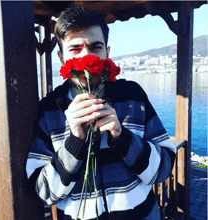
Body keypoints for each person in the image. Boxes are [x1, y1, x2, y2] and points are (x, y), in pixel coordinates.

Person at [26, 5, 176, 220]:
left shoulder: (132, 95)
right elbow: (44, 192)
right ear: (61, 57)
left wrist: (122, 137)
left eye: (96, 47)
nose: (87, 56)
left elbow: (163, 169)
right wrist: (74, 142)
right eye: (75, 49)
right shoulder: (48, 109)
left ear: (108, 52)